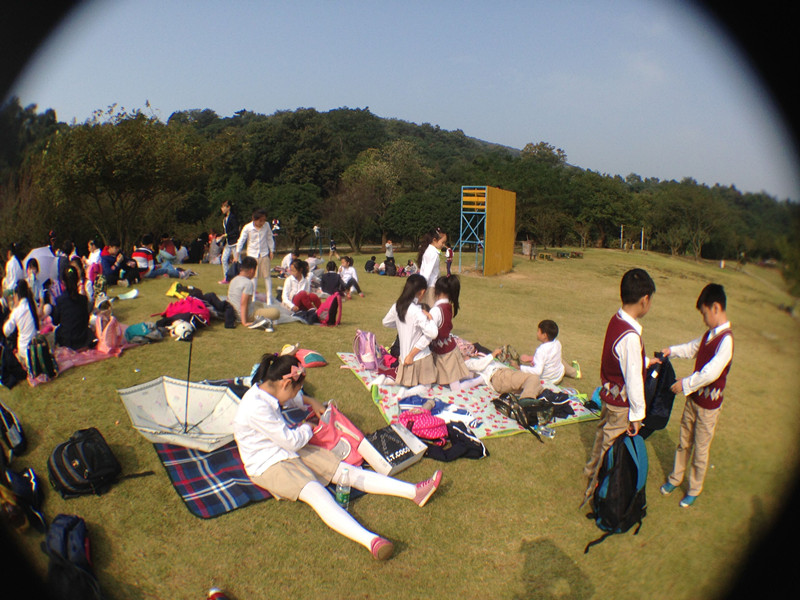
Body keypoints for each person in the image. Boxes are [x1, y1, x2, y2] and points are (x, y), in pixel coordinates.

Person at [233, 353, 443, 561]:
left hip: (288, 449)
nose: (294, 396)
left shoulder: (267, 391)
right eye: (295, 389)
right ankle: (370, 540)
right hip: (268, 463)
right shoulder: (256, 407)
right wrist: (308, 427)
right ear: (286, 383)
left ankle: (414, 491)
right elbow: (292, 441)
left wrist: (310, 400)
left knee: (346, 472)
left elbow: (290, 402)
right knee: (316, 493)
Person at [582, 268, 657, 504]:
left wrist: (646, 361)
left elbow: (622, 359)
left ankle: (590, 470)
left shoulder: (617, 320)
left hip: (608, 396)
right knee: (610, 447)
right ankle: (597, 491)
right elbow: (633, 379)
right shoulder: (631, 336)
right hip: (621, 404)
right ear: (645, 300)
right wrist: (638, 415)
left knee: (601, 435)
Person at [658, 283, 734, 508]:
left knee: (700, 449)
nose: (704, 319)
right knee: (684, 442)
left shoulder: (726, 341)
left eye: (704, 313)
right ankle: (675, 478)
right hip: (693, 402)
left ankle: (694, 489)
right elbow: (692, 348)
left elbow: (711, 373)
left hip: (708, 408)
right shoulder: (708, 335)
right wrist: (671, 351)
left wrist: (685, 384)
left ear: (716, 307)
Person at [382, 274, 439, 396]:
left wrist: (402, 326)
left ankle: (384, 381)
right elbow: (433, 333)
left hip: (404, 356)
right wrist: (430, 319)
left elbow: (386, 322)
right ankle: (404, 393)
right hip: (419, 356)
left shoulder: (397, 305)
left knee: (405, 382)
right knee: (426, 387)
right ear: (422, 292)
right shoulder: (417, 311)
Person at [429, 275, 471, 386]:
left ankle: (480, 379)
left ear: (436, 290)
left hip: (446, 352)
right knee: (450, 381)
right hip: (446, 350)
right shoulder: (447, 306)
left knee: (455, 386)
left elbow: (430, 331)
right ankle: (475, 377)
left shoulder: (436, 310)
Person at [456, 347, 544, 398]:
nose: (466, 351)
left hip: (503, 375)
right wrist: (493, 354)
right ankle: (526, 403)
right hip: (499, 375)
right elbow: (479, 365)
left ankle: (529, 400)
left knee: (534, 386)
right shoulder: (467, 363)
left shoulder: (476, 358)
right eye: (463, 351)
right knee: (532, 378)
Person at [519, 319, 582, 385]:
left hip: (547, 382)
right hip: (559, 376)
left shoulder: (541, 350)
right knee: (559, 359)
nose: (537, 333)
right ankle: (575, 373)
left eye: (538, 331)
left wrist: (520, 367)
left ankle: (574, 372)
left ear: (544, 335)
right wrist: (533, 358)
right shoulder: (557, 343)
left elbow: (537, 371)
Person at [236, 208, 276, 305]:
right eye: (260, 221)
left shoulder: (266, 225)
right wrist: (237, 253)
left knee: (267, 276)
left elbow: (269, 237)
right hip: (252, 254)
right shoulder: (248, 227)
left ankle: (269, 298)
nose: (262, 223)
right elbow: (241, 240)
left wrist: (271, 250)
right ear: (254, 219)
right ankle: (253, 297)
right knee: (254, 277)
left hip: (264, 253)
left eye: (264, 220)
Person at [227, 256, 277, 328]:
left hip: (234, 312)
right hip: (246, 315)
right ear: (252, 271)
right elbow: (243, 303)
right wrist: (244, 322)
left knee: (259, 303)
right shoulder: (248, 283)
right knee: (276, 312)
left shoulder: (234, 279)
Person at [51, 266, 93, 351]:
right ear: (78, 280)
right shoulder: (83, 299)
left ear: (63, 282)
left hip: (66, 340)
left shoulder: (60, 300)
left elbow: (55, 321)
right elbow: (86, 319)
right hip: (82, 338)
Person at [3, 279, 39, 371]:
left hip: (24, 349)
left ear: (17, 295)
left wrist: (12, 311)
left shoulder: (17, 311)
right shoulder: (32, 305)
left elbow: (6, 331)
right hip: (35, 346)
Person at [417, 227, 447, 306]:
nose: (443, 245)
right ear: (434, 240)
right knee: (430, 310)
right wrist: (422, 288)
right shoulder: (432, 253)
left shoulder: (431, 251)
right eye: (442, 242)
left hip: (430, 286)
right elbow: (427, 272)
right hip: (430, 287)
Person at [218, 200, 240, 284]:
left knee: (237, 261)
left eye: (224, 207)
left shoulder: (233, 217)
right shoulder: (225, 219)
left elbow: (236, 230)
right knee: (224, 259)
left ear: (228, 207)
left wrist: (226, 235)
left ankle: (241, 278)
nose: (222, 209)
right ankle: (227, 278)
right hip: (228, 242)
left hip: (234, 242)